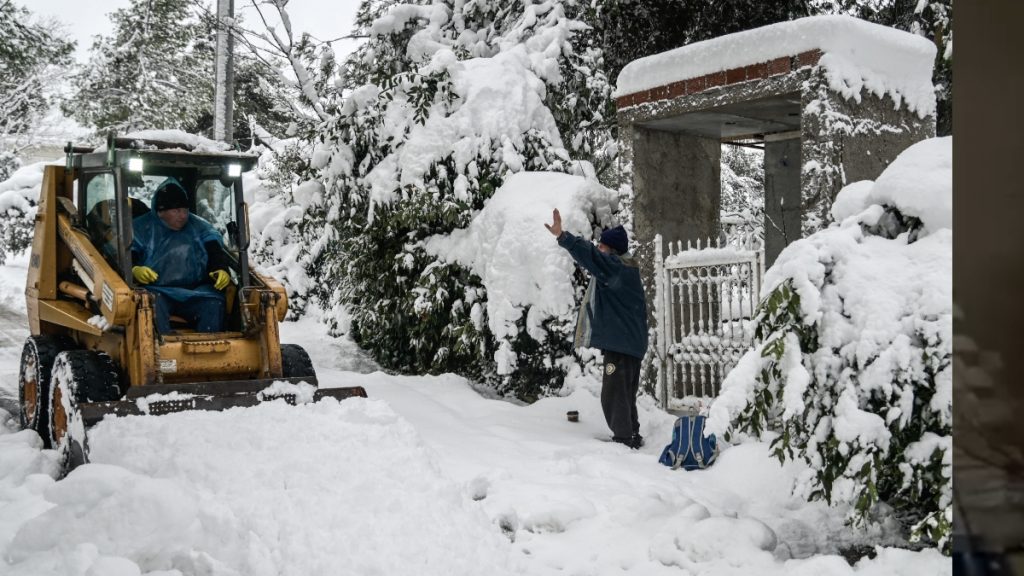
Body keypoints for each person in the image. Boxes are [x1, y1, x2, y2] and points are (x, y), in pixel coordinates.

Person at [546, 209, 648, 449]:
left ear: (611, 251)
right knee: (624, 393)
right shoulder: (625, 268)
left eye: (602, 246)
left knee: (613, 394)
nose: (599, 248)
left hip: (622, 344)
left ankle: (624, 440)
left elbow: (590, 255)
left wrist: (563, 236)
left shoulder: (616, 268)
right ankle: (631, 434)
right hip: (630, 343)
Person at [130, 178, 232, 334]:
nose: (183, 215)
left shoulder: (199, 227)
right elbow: (127, 254)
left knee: (213, 303)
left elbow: (215, 252)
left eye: (185, 210)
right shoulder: (140, 229)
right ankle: (159, 351)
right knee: (148, 305)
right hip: (156, 290)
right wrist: (134, 269)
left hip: (196, 291)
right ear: (161, 211)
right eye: (177, 210)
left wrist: (221, 269)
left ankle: (211, 350)